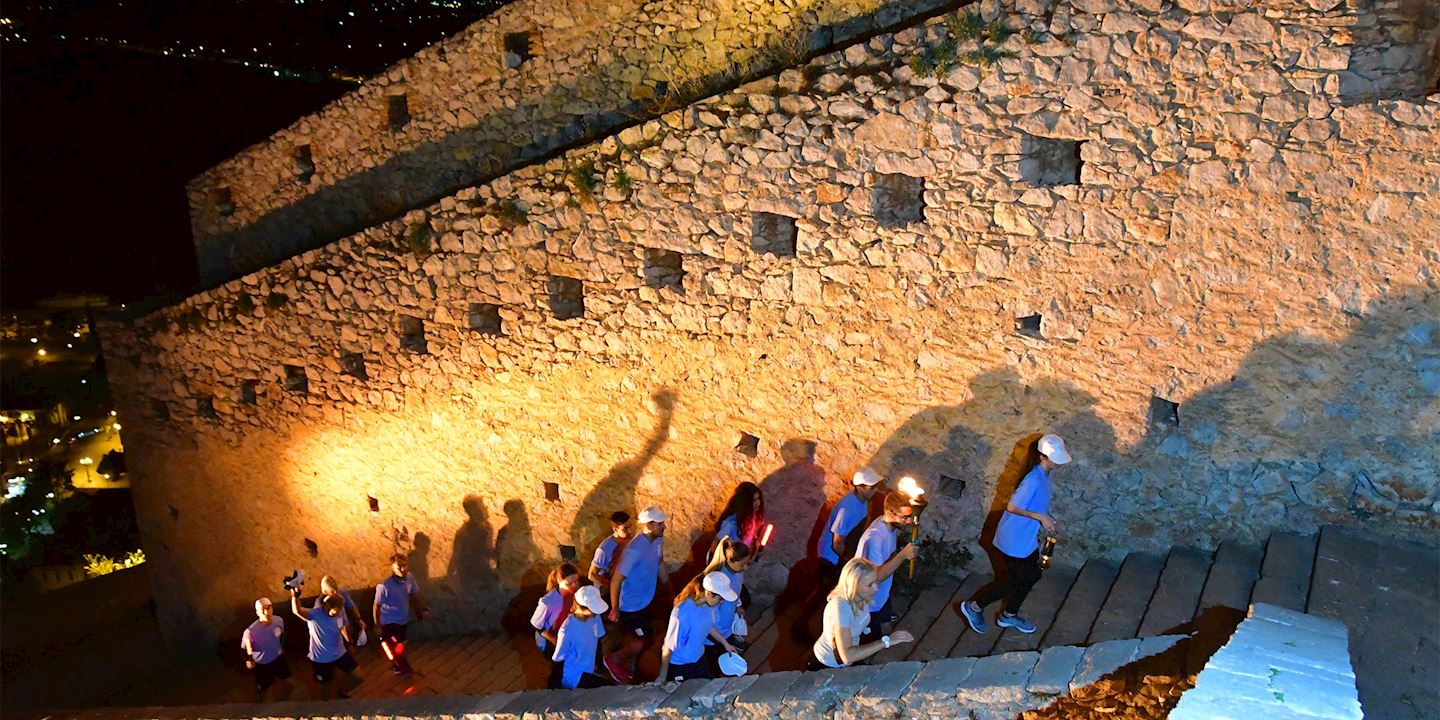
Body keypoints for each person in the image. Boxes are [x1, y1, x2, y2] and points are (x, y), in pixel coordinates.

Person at [960, 433, 1070, 635]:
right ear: (1042, 457)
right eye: (1056, 458)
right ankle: (974, 606)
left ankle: (1008, 615)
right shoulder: (1033, 479)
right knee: (1014, 580)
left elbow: (1037, 503)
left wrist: (1047, 518)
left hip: (1025, 537)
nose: (1059, 462)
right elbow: (1012, 507)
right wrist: (1041, 517)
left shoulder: (1046, 474)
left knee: (1033, 574)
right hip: (1014, 539)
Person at [602, 505, 669, 684]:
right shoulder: (633, 551)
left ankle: (628, 661)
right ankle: (613, 658)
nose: (664, 527)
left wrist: (668, 585)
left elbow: (660, 561)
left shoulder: (657, 540)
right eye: (660, 524)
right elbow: (616, 579)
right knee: (641, 640)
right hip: (632, 605)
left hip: (646, 598)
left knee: (644, 634)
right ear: (648, 525)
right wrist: (615, 607)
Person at [809, 558, 914, 669]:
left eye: (875, 581)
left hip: (848, 660)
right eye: (870, 585)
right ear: (853, 585)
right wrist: (886, 641)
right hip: (826, 665)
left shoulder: (861, 597)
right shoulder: (840, 608)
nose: (876, 588)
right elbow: (847, 656)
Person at [855, 490, 920, 638]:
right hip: (867, 600)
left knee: (887, 627)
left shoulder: (889, 525)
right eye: (905, 517)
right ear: (890, 513)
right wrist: (903, 555)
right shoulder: (875, 538)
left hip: (881, 593)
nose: (909, 521)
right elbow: (876, 576)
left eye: (910, 516)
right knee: (873, 637)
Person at [657, 571, 741, 683]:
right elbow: (667, 647)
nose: (722, 602)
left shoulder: (710, 605)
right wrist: (662, 676)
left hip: (699, 658)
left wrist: (725, 643)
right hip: (681, 666)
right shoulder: (682, 613)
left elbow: (708, 625)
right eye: (720, 599)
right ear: (709, 594)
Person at [816, 467, 885, 589]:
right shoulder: (846, 508)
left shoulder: (863, 501)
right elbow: (837, 542)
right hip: (831, 558)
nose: (875, 491)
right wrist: (849, 561)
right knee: (824, 591)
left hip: (840, 555)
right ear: (860, 487)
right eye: (872, 488)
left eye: (876, 487)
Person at [291, 588, 361, 699]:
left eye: (340, 610)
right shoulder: (314, 614)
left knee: (358, 678)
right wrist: (295, 597)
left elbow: (342, 626)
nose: (338, 613)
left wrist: (350, 642)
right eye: (336, 611)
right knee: (325, 687)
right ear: (327, 607)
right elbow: (297, 611)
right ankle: (326, 705)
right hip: (321, 658)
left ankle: (342, 691)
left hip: (340, 653)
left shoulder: (339, 612)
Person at [374, 553, 431, 678]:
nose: (402, 569)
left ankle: (396, 664)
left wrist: (424, 608)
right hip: (389, 621)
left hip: (402, 620)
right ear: (392, 568)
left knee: (402, 644)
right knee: (397, 646)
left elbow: (415, 594)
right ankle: (406, 669)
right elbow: (376, 606)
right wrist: (377, 625)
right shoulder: (384, 586)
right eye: (399, 567)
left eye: (404, 565)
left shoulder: (410, 578)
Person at [700, 537, 752, 668]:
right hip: (715, 630)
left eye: (747, 563)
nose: (745, 568)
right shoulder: (718, 578)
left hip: (726, 625)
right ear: (730, 560)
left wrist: (738, 605)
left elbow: (736, 590)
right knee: (714, 662)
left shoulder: (737, 572)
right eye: (742, 565)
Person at [551, 585, 611, 689]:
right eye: (593, 608)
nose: (597, 611)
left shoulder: (595, 617)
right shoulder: (567, 630)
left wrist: (600, 665)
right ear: (580, 607)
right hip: (574, 676)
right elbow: (558, 660)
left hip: (589, 668)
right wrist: (554, 688)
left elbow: (598, 640)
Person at [531, 562, 580, 676]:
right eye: (570, 583)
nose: (574, 585)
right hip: (549, 639)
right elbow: (537, 625)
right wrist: (553, 639)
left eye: (576, 581)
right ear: (559, 581)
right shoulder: (548, 601)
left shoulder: (574, 593)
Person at [240, 597, 292, 702]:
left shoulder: (279, 620)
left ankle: (282, 700)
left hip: (278, 658)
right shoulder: (250, 631)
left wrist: (282, 648)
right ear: (257, 613)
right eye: (262, 610)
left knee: (284, 679)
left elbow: (281, 635)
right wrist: (248, 660)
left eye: (268, 608)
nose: (266, 612)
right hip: (262, 665)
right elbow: (244, 649)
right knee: (263, 688)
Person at [588, 511, 632, 596]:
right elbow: (592, 575)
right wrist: (610, 586)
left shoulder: (628, 541)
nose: (630, 531)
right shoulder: (604, 549)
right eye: (625, 528)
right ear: (615, 529)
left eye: (630, 527)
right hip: (606, 592)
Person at [316, 575, 367, 647]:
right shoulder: (319, 605)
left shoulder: (340, 595)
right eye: (332, 591)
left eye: (336, 590)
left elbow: (351, 607)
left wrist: (359, 619)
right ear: (325, 592)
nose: (335, 593)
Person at [713, 481, 766, 549]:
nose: (757, 503)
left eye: (758, 499)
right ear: (745, 503)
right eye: (753, 501)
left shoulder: (752, 518)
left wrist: (755, 540)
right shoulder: (731, 524)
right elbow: (716, 544)